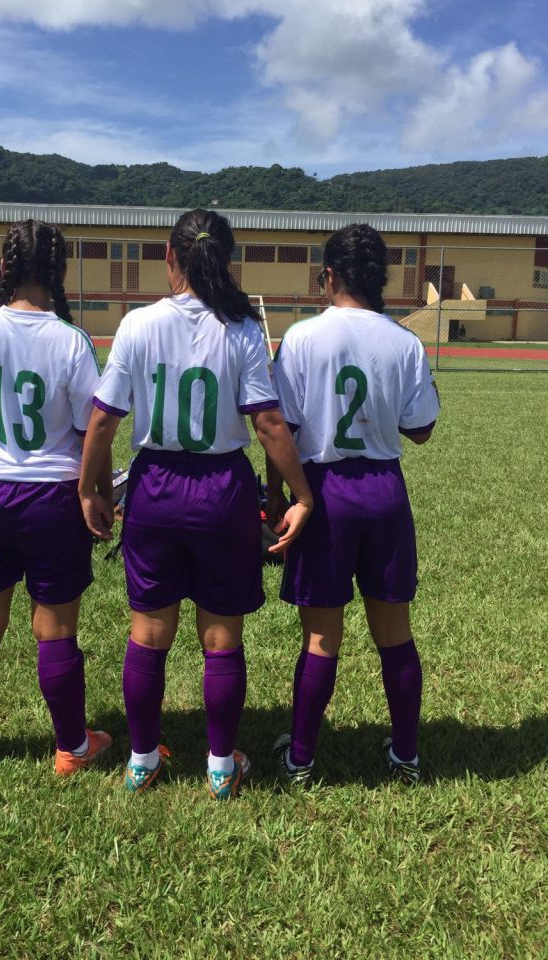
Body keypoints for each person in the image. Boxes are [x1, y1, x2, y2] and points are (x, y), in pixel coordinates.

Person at [79, 208, 313, 799]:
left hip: (156, 486)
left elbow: (103, 421)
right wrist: (299, 492)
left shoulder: (137, 324)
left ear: (169, 256)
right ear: (225, 260)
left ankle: (140, 758)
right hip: (221, 491)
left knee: (148, 633)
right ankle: (219, 765)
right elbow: (267, 422)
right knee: (221, 639)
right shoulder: (240, 328)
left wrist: (92, 489)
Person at [269, 223, 440, 787]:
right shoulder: (404, 341)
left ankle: (300, 758)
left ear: (331, 276)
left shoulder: (301, 338)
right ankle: (407, 756)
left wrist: (278, 501)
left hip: (324, 494)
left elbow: (282, 433)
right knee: (395, 629)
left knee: (321, 636)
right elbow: (422, 428)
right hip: (385, 492)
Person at [0, 219, 112, 773]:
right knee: (55, 627)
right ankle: (71, 749)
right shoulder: (71, 340)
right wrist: (94, 494)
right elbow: (93, 433)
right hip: (53, 499)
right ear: (58, 272)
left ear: (4, 269)